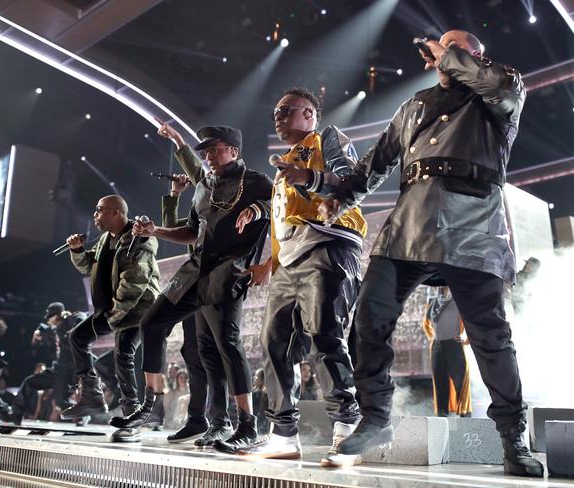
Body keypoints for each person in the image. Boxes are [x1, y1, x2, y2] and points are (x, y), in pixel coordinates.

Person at [318, 30, 543, 476]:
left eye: (457, 47)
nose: (442, 52)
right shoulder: (413, 106)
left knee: (491, 338)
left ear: (476, 56)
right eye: (440, 47)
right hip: (409, 226)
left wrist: (451, 55)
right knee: (368, 318)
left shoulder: (501, 92)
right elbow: (374, 163)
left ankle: (512, 439)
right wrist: (337, 196)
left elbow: (498, 88)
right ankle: (376, 416)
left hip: (474, 230)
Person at [233, 87, 364, 464]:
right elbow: (284, 222)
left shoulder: (328, 139)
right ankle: (283, 435)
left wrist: (309, 176)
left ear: (309, 114)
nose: (277, 115)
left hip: (329, 246)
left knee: (324, 333)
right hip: (289, 262)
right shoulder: (283, 168)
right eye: (275, 110)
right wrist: (265, 258)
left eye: (286, 109)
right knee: (273, 342)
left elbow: (353, 183)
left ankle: (347, 430)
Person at [129, 125, 272, 453]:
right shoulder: (204, 185)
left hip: (229, 271)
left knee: (226, 346)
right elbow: (192, 232)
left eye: (215, 149)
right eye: (204, 151)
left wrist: (259, 219)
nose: (207, 156)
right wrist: (157, 230)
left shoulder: (256, 182)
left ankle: (246, 426)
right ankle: (154, 401)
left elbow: (282, 211)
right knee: (153, 323)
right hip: (194, 271)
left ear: (233, 151)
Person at [60, 195, 161, 444]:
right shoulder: (107, 239)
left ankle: (132, 419)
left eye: (99, 210)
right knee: (77, 337)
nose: (95, 215)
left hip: (138, 310)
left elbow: (134, 285)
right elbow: (88, 267)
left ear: (116, 213)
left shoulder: (139, 239)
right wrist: (77, 251)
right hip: (112, 309)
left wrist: (113, 317)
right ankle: (92, 394)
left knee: (123, 352)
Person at [156, 124, 234, 446]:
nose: (207, 160)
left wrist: (177, 140)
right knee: (192, 352)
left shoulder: (224, 189)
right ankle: (199, 419)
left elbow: (196, 168)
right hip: (192, 282)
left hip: (216, 281)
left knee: (216, 354)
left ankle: (224, 420)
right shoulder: (199, 198)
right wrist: (174, 196)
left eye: (212, 152)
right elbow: (176, 231)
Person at [0, 302, 86, 425]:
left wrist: (74, 329)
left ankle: (82, 414)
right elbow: (41, 332)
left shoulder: (69, 320)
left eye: (50, 318)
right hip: (57, 369)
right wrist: (37, 334)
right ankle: (16, 414)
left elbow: (82, 317)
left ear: (57, 315)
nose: (49, 321)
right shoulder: (53, 330)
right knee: (29, 382)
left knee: (60, 401)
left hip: (69, 369)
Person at [422, 287, 472, 418]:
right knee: (440, 384)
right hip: (438, 347)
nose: (442, 287)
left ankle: (466, 419)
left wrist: (466, 339)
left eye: (444, 283)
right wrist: (431, 336)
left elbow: (473, 322)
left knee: (460, 382)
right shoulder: (432, 301)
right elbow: (426, 324)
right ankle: (441, 418)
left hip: (455, 345)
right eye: (439, 284)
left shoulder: (460, 300)